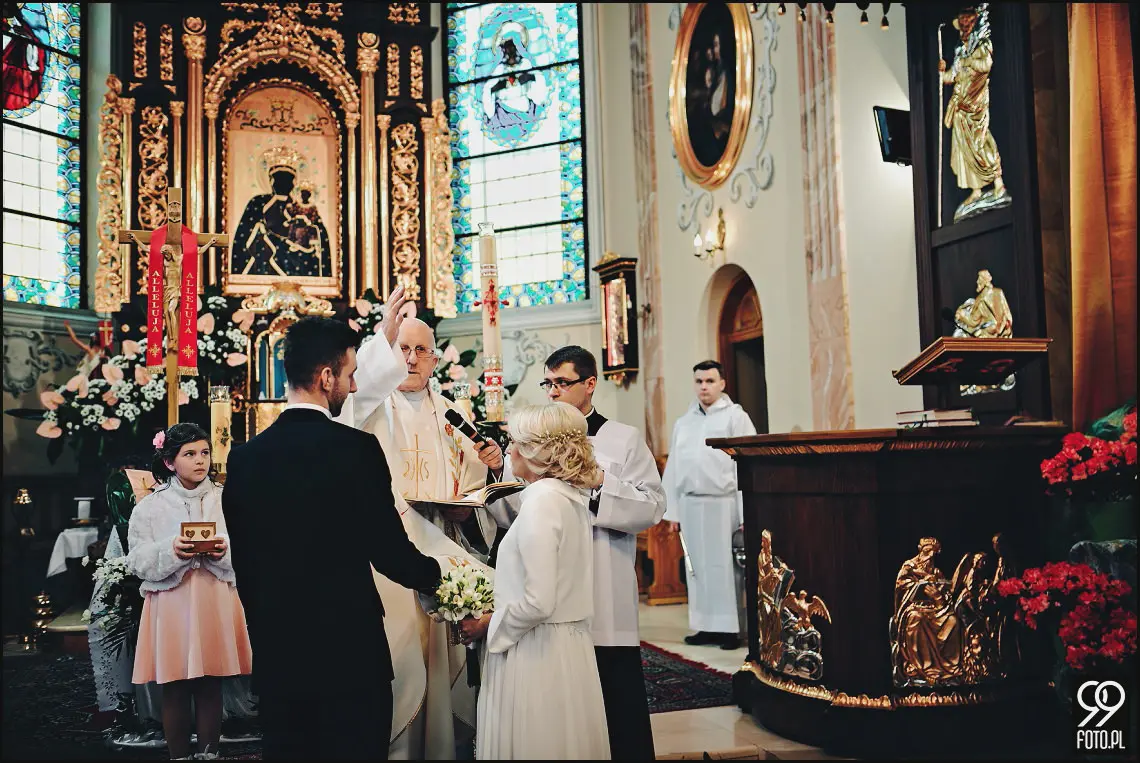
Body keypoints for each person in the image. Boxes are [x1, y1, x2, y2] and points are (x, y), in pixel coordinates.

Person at [222, 317, 447, 760]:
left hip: (280, 657)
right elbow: (389, 553)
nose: (354, 383)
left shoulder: (245, 459)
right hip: (350, 655)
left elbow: (244, 566)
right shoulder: (356, 450)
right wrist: (440, 575)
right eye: (350, 373)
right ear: (327, 378)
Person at [488, 346, 665, 760]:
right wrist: (499, 471)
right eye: (547, 383)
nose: (553, 391)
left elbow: (653, 505)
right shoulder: (532, 440)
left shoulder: (621, 438)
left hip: (604, 577)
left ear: (589, 384)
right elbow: (511, 512)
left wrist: (597, 486)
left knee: (614, 693)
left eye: (562, 382)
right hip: (552, 591)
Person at [459, 403, 610, 759]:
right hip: (566, 647)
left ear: (537, 453)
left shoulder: (543, 503)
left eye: (514, 442)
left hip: (536, 651)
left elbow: (538, 600)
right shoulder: (569, 496)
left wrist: (487, 625)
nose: (508, 450)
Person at [127, 422, 252, 761]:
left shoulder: (226, 500)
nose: (200, 461)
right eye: (190, 454)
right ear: (169, 462)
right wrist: (173, 551)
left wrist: (221, 551)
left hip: (212, 598)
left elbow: (250, 550)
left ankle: (209, 755)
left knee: (211, 683)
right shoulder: (150, 508)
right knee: (175, 686)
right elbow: (137, 560)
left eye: (205, 453)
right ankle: (179, 756)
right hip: (172, 603)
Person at [359, 317, 504, 563]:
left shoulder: (454, 415)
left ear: (434, 362)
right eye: (403, 348)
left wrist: (467, 513)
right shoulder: (367, 408)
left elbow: (477, 491)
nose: (412, 359)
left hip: (443, 544)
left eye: (421, 350)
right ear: (388, 355)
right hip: (384, 547)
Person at [663, 360, 757, 650]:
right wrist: (673, 511)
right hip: (691, 504)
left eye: (710, 381)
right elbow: (676, 467)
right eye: (699, 381)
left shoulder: (736, 418)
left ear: (722, 384)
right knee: (696, 568)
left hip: (722, 503)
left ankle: (729, 629)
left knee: (723, 568)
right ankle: (704, 626)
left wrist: (745, 512)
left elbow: (747, 466)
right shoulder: (684, 422)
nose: (703, 386)